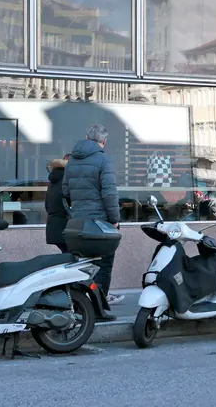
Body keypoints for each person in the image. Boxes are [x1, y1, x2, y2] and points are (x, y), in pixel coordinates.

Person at [62, 124, 124, 306]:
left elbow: (65, 192)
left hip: (78, 222)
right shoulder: (104, 161)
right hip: (100, 223)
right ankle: (100, 304)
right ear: (104, 141)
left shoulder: (72, 160)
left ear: (87, 138)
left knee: (82, 264)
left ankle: (81, 303)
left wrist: (74, 214)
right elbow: (110, 194)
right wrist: (114, 220)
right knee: (104, 264)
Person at [45, 155, 70, 253]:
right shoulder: (67, 179)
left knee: (66, 256)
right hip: (67, 227)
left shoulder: (54, 180)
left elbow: (47, 206)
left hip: (53, 227)